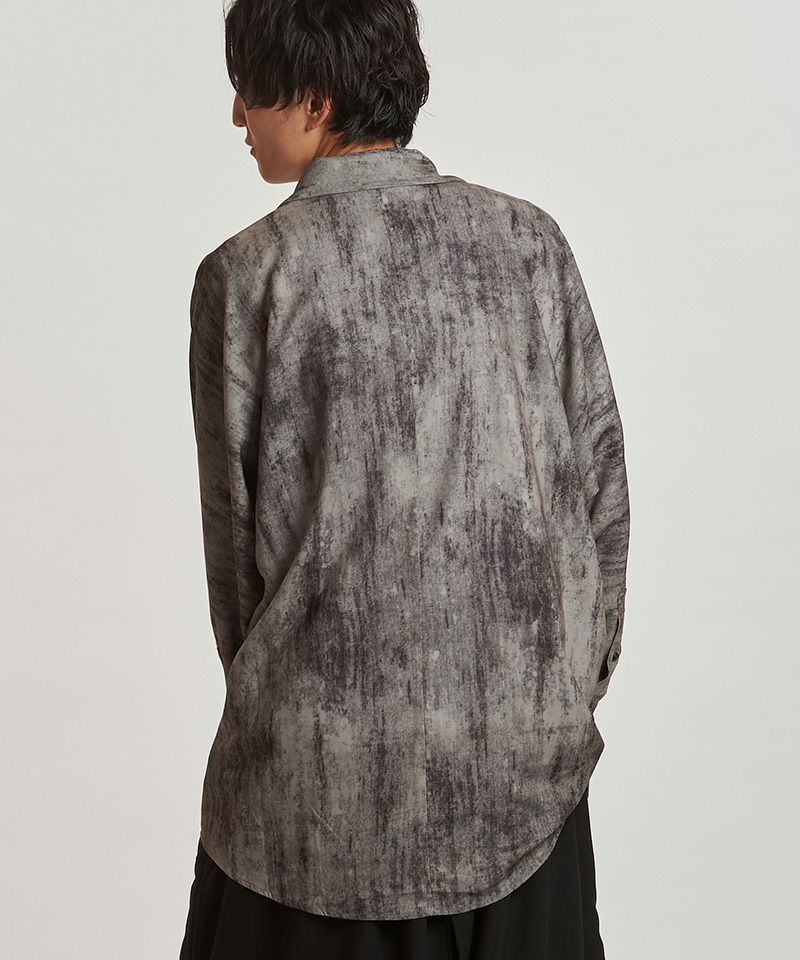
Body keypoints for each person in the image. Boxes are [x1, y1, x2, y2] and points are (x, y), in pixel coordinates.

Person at [179, 0, 630, 957]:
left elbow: (235, 568)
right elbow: (602, 498)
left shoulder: (247, 276)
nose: (236, 115)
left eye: (247, 89)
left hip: (311, 813)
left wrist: (298, 717)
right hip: (523, 786)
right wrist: (555, 700)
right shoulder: (530, 243)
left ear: (313, 97)